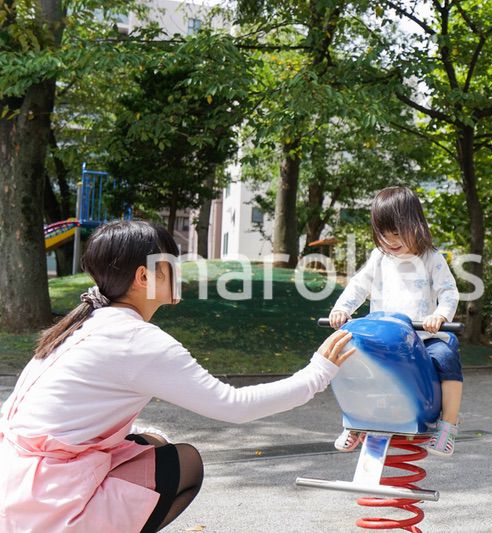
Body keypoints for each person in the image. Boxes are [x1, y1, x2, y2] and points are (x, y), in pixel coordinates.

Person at [0, 220, 355, 533]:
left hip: (15, 484)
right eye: (171, 264)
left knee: (153, 442)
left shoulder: (82, 325)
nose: (180, 272)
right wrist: (317, 373)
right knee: (185, 463)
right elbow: (234, 405)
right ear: (144, 277)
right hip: (46, 501)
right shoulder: (135, 339)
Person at [327, 186, 461, 456]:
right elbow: (358, 286)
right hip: (384, 337)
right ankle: (354, 421)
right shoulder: (379, 258)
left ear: (416, 224)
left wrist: (440, 315)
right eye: (383, 234)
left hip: (421, 337)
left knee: (446, 357)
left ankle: (448, 426)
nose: (390, 241)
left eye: (397, 233)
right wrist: (341, 309)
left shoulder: (432, 259)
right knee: (350, 357)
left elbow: (449, 292)